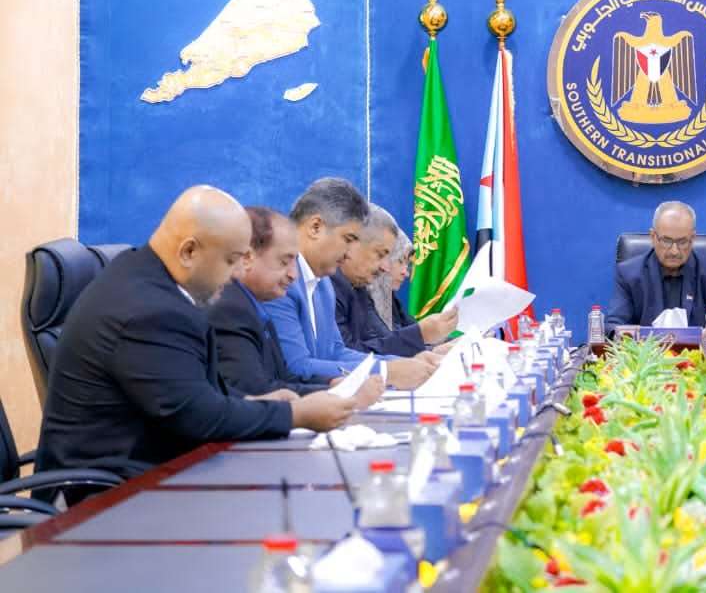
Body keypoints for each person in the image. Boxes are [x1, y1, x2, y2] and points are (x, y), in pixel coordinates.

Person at [36, 187, 356, 481]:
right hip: (103, 496)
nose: (236, 274)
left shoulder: (145, 279)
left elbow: (193, 394)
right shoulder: (150, 309)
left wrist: (254, 402)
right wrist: (293, 415)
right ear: (189, 251)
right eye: (231, 260)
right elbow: (197, 416)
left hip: (145, 469)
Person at [263, 178, 436, 389]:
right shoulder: (279, 280)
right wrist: (385, 371)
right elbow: (297, 367)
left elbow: (336, 352)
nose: (348, 253)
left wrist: (400, 364)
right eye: (347, 239)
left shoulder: (324, 284)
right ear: (315, 227)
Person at [210, 206, 385, 404]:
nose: (294, 275)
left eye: (295, 262)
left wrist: (332, 386)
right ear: (248, 258)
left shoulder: (255, 304)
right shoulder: (232, 309)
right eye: (284, 262)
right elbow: (256, 393)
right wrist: (334, 395)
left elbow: (283, 377)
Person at [333, 205, 457, 357]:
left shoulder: (358, 288)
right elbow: (346, 356)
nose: (385, 267)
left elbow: (379, 344)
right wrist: (421, 337)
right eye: (381, 255)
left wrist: (440, 344)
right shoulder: (328, 287)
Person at [607, 201, 706, 329]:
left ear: (693, 239)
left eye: (682, 242)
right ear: (653, 237)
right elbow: (613, 325)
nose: (674, 251)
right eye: (666, 241)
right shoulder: (629, 274)